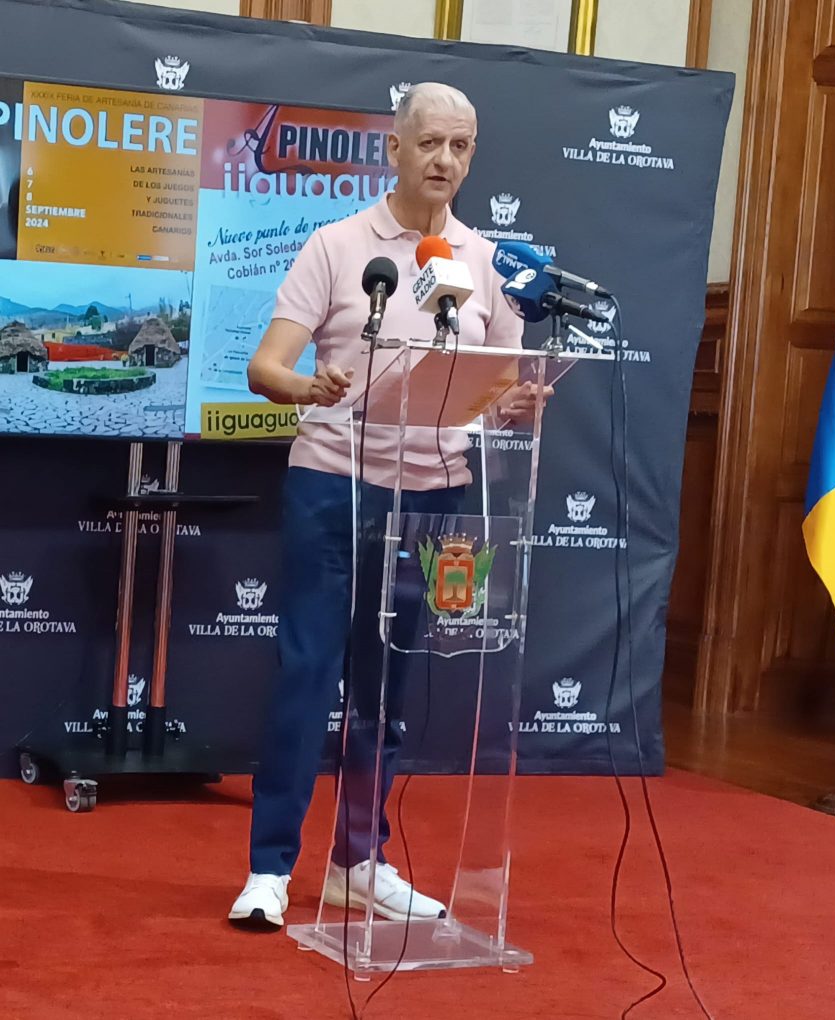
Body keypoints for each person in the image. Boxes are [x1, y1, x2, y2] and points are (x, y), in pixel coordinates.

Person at [229, 83, 544, 930]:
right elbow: (266, 368)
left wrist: (518, 404)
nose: (445, 161)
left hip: (438, 493)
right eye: (430, 143)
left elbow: (502, 385)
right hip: (334, 483)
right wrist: (309, 385)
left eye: (461, 146)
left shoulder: (485, 262)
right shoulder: (338, 246)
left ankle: (357, 862)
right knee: (307, 676)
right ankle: (269, 869)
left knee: (386, 686)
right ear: (395, 149)